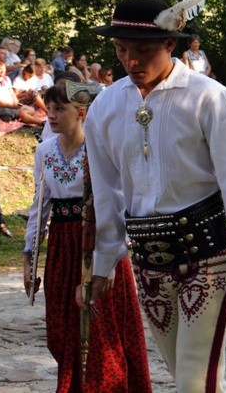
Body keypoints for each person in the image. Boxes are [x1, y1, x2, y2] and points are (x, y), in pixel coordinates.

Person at [85, 0, 226, 392]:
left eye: (141, 51)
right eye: (121, 50)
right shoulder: (105, 106)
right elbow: (107, 194)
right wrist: (102, 263)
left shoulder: (208, 97)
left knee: (192, 383)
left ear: (169, 44)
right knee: (196, 379)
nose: (130, 62)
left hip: (208, 257)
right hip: (148, 263)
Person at [22, 84, 152, 392]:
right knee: (60, 329)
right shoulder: (45, 151)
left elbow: (117, 204)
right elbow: (40, 205)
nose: (51, 115)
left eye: (59, 109)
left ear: (80, 113)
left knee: (100, 330)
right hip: (61, 248)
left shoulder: (100, 149)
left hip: (95, 241)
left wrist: (110, 255)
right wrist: (29, 258)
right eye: (49, 109)